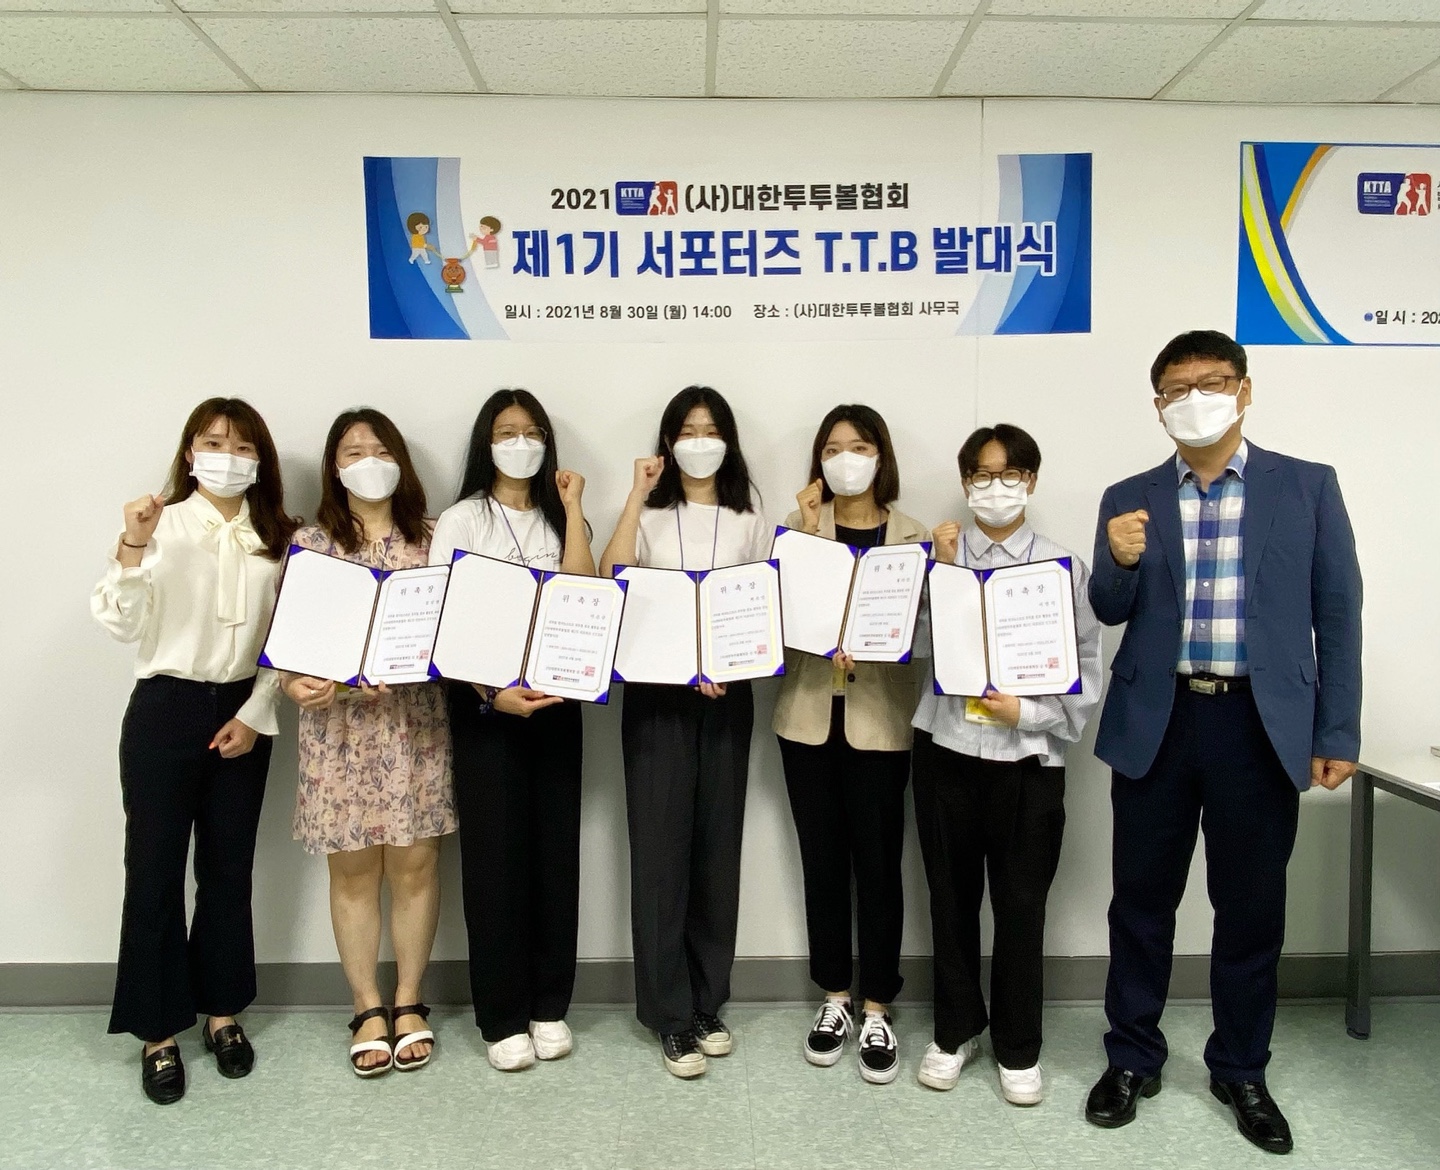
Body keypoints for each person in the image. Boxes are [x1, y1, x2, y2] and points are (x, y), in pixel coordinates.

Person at [1084, 331, 1362, 1154]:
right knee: (1140, 903)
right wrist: (1118, 560)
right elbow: (1107, 607)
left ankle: (1240, 1067)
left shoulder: (1307, 486)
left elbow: (1338, 614)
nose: (1194, 399)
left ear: (1243, 390)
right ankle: (1131, 1056)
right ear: (1158, 405)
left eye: (1211, 382)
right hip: (1157, 723)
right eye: (1177, 388)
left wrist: (1336, 729)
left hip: (1259, 725)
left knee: (1250, 909)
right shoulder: (1128, 496)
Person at [92, 398, 297, 1105]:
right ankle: (157, 1031)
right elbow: (121, 624)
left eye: (243, 447)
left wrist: (256, 713)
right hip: (165, 708)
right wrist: (132, 545)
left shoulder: (277, 536)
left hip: (243, 709)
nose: (228, 457)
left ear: (260, 460)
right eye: (214, 443)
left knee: (227, 869)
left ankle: (222, 1011)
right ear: (190, 453)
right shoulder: (161, 523)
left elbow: (286, 636)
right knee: (153, 872)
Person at [910, 424, 1101, 1105]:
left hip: (1028, 758)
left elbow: (1087, 664)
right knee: (949, 900)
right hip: (947, 749)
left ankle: (1019, 1047)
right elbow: (915, 649)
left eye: (1010, 474)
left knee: (1022, 907)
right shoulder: (944, 557)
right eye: (982, 475)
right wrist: (939, 572)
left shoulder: (1061, 566)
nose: (996, 487)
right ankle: (955, 1030)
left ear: (1031, 481)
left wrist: (1032, 711)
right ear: (966, 483)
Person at [600, 385, 770, 1079]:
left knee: (716, 854)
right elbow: (615, 576)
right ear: (668, 443)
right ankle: (668, 1015)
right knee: (660, 859)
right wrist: (636, 495)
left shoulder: (749, 513)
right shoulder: (649, 510)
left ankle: (707, 1002)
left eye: (711, 430)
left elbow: (762, 604)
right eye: (687, 431)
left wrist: (729, 664)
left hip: (728, 697)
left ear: (729, 440)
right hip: (656, 699)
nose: (701, 442)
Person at [281, 409, 455, 1078]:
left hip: (415, 728)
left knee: (415, 867)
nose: (367, 461)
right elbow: (285, 644)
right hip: (339, 734)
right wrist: (294, 681)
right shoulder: (310, 544)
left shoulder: (435, 540)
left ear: (401, 461)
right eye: (353, 451)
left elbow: (461, 633)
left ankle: (409, 999)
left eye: (380, 449)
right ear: (334, 466)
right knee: (353, 873)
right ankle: (365, 1005)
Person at [430, 389, 595, 1072]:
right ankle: (501, 1015)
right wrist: (490, 693)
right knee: (495, 865)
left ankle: (549, 1004)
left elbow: (585, 596)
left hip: (557, 708)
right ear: (486, 443)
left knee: (556, 858)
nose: (520, 444)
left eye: (532, 433)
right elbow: (442, 618)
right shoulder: (463, 519)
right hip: (486, 711)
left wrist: (575, 508)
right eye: (506, 432)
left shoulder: (560, 519)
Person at [771, 404, 926, 1085]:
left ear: (880, 456)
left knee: (880, 865)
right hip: (808, 720)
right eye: (832, 449)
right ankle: (834, 996)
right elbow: (775, 621)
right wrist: (806, 530)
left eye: (858, 447)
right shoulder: (797, 527)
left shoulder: (915, 535)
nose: (845, 459)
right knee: (823, 863)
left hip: (880, 721)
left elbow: (926, 633)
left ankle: (878, 1005)